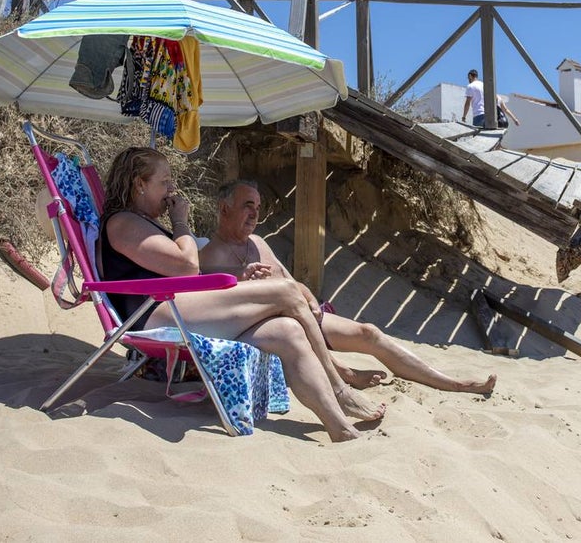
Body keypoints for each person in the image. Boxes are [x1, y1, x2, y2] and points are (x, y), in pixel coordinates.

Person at [99, 147, 385, 443]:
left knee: (288, 332)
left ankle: (338, 425)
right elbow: (186, 266)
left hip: (176, 307)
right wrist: (180, 221)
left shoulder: (141, 222)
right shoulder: (123, 223)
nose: (172, 188)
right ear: (139, 184)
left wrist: (233, 278)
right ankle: (340, 387)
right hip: (153, 315)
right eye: (165, 181)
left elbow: (181, 269)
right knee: (286, 292)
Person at [201, 180, 498, 395]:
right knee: (305, 334)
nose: (255, 214)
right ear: (224, 209)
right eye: (247, 206)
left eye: (258, 207)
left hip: (306, 315)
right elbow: (216, 303)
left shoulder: (259, 243)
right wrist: (242, 280)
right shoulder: (211, 255)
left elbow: (292, 281)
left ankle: (449, 382)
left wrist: (306, 296)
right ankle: (342, 373)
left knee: (369, 332)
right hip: (274, 327)